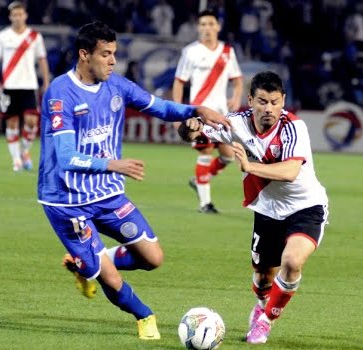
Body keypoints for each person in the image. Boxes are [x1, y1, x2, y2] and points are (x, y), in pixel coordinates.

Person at [37, 21, 229, 340]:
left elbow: (159, 107)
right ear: (84, 55)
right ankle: (144, 316)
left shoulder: (117, 86)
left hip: (108, 196)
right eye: (105, 54)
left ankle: (85, 263)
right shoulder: (60, 93)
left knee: (153, 258)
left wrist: (195, 109)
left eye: (114, 54)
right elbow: (67, 157)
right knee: (109, 278)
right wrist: (113, 164)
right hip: (66, 201)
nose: (113, 61)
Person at [178, 71, 329, 344]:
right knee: (262, 278)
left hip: (306, 206)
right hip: (268, 208)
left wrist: (249, 166)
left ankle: (266, 321)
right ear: (250, 100)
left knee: (292, 262)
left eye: (274, 102)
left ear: (283, 101)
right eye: (262, 101)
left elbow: (291, 170)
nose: (268, 108)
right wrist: (189, 128)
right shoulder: (236, 124)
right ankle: (261, 306)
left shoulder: (295, 127)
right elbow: (192, 132)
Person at [172, 9, 243, 214]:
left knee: (228, 157)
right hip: (199, 114)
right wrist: (178, 112)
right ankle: (205, 203)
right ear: (198, 28)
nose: (206, 28)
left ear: (218, 27)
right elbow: (179, 82)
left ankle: (199, 180)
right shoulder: (190, 51)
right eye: (202, 24)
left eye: (210, 24)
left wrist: (236, 96)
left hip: (221, 114)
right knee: (205, 152)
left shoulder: (227, 52)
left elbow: (237, 80)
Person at [0, 1, 50, 172]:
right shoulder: (3, 36)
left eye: (20, 14)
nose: (17, 17)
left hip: (29, 85)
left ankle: (25, 150)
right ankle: (16, 159)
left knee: (32, 121)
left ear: (25, 15)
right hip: (9, 86)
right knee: (12, 122)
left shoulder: (35, 37)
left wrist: (45, 81)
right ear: (10, 17)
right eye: (14, 14)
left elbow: (42, 59)